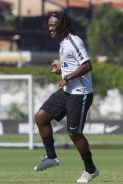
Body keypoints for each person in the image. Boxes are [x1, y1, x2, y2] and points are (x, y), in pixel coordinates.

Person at [33, 11, 99, 183]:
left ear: (63, 24)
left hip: (80, 93)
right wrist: (60, 67)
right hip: (67, 91)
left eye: (53, 25)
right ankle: (51, 156)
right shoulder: (63, 42)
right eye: (49, 26)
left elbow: (87, 65)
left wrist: (67, 78)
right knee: (41, 117)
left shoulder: (74, 41)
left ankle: (90, 170)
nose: (50, 29)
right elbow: (71, 64)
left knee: (74, 133)